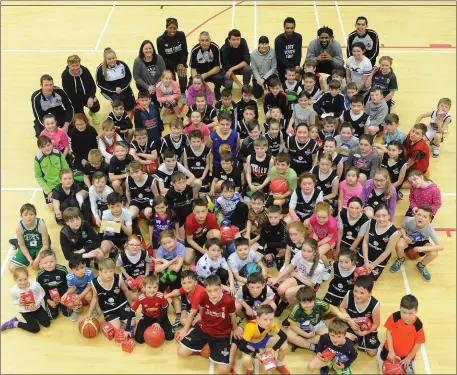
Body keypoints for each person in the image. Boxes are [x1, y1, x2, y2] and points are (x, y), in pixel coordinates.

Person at [177, 275, 241, 375]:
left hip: (222, 334)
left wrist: (236, 329)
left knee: (223, 371)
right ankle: (202, 345)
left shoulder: (229, 301)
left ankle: (234, 344)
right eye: (209, 291)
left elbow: (232, 316)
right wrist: (198, 318)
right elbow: (202, 309)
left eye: (216, 290)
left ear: (221, 288)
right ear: (205, 290)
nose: (213, 294)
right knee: (181, 353)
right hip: (204, 329)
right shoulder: (203, 296)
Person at [390, 205, 443, 281]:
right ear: (415, 215)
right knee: (399, 244)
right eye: (419, 215)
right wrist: (405, 236)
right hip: (409, 238)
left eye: (425, 216)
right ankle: (400, 259)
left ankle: (421, 265)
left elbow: (441, 247)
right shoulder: (409, 220)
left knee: (434, 253)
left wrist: (422, 248)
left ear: (429, 220)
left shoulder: (430, 229)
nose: (420, 217)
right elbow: (403, 227)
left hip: (422, 242)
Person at [85, 259, 135, 332]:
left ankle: (121, 319)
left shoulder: (118, 278)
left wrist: (131, 304)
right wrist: (89, 314)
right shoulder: (94, 283)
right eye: (106, 272)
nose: (109, 274)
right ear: (99, 272)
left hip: (122, 304)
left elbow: (126, 290)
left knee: (132, 323)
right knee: (116, 328)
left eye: (111, 271)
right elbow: (94, 298)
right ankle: (118, 320)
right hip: (108, 309)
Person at [239, 305, 290, 375]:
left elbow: (284, 336)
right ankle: (250, 369)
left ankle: (279, 365)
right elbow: (241, 347)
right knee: (246, 359)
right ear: (258, 318)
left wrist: (274, 349)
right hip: (251, 344)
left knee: (285, 346)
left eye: (271, 319)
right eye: (265, 319)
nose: (269, 322)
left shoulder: (271, 324)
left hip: (264, 339)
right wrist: (255, 354)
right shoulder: (251, 326)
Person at [380, 295, 425, 374]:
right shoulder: (394, 317)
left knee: (406, 370)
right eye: (403, 312)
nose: (406, 316)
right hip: (390, 349)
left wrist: (409, 358)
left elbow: (418, 344)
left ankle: (409, 363)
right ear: (400, 308)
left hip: (406, 355)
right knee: (383, 359)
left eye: (410, 313)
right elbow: (388, 332)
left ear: (416, 311)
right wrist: (391, 350)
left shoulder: (418, 325)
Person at [339, 275, 380, 357]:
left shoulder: (375, 304)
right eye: (356, 291)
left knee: (372, 353)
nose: (357, 295)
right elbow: (342, 307)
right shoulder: (349, 295)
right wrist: (350, 321)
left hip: (367, 327)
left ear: (369, 294)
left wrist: (362, 333)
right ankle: (354, 340)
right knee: (343, 341)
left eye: (362, 293)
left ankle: (358, 338)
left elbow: (376, 324)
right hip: (351, 323)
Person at [357, 204, 400, 281]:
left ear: (389, 216)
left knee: (368, 280)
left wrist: (373, 265)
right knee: (355, 274)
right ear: (374, 216)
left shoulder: (394, 232)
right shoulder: (371, 222)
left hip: (379, 259)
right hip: (365, 254)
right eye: (378, 216)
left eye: (384, 216)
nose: (381, 219)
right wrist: (366, 261)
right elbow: (365, 242)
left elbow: (387, 252)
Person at [1, 268, 50, 334]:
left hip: (37, 308)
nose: (23, 282)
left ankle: (36, 317)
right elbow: (13, 301)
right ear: (15, 279)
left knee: (47, 324)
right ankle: (15, 323)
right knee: (35, 330)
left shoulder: (35, 285)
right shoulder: (13, 290)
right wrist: (19, 301)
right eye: (20, 280)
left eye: (25, 279)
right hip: (25, 311)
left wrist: (36, 303)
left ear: (28, 277)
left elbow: (42, 293)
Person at [132, 274, 174, 343]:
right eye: (149, 287)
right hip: (147, 317)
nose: (152, 290)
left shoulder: (161, 296)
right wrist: (127, 328)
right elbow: (132, 311)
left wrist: (158, 322)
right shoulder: (141, 298)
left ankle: (165, 325)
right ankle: (142, 318)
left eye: (155, 287)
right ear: (144, 287)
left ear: (158, 287)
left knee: (170, 337)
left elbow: (165, 310)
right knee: (139, 340)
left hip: (160, 316)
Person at [8, 203, 50, 272]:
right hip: (27, 247)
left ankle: (17, 243)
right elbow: (22, 245)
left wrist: (36, 260)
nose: (29, 217)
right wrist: (30, 260)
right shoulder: (19, 227)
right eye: (26, 215)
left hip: (40, 247)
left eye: (31, 214)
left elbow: (45, 246)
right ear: (21, 216)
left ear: (35, 215)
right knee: (12, 268)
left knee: (43, 267)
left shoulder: (41, 224)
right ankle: (17, 243)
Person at [156, 17, 189, 103]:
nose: (172, 30)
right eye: (170, 28)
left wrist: (182, 63)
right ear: (166, 28)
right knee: (170, 80)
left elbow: (185, 51)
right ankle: (172, 94)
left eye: (174, 28)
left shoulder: (181, 35)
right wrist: (175, 66)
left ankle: (182, 92)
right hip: (168, 64)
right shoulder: (160, 40)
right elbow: (162, 57)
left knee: (182, 75)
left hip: (180, 63)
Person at [61, 54, 100, 124]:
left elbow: (92, 85)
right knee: (83, 121)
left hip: (86, 95)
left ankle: (92, 112)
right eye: (73, 66)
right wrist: (85, 100)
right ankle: (80, 112)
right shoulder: (65, 75)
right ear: (69, 66)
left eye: (77, 65)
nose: (75, 68)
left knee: (96, 106)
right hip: (74, 99)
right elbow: (70, 93)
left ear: (80, 64)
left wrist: (91, 97)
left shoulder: (85, 71)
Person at [36, 249, 72, 320]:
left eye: (51, 261)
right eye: (45, 263)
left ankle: (62, 305)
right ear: (41, 264)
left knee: (68, 313)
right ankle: (54, 305)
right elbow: (40, 291)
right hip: (50, 297)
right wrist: (48, 300)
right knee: (52, 317)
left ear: (56, 260)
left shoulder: (62, 270)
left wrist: (65, 296)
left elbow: (69, 284)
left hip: (63, 295)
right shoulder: (40, 276)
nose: (49, 264)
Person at [190, 31, 226, 100]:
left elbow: (217, 67)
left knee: (219, 79)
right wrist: (197, 80)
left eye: (206, 40)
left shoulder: (215, 48)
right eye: (202, 40)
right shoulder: (194, 51)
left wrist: (205, 75)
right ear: (199, 41)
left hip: (213, 73)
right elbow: (193, 69)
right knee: (191, 86)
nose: (204, 43)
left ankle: (217, 90)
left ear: (210, 40)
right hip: (200, 73)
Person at [185, 198, 221, 265]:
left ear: (207, 210)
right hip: (194, 239)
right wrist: (202, 251)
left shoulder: (211, 218)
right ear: (193, 211)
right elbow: (189, 240)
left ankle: (210, 249)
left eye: (203, 211)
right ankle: (196, 252)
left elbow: (217, 232)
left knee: (216, 233)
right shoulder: (189, 221)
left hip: (205, 237)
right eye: (198, 212)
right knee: (187, 260)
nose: (201, 215)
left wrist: (207, 243)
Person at [62, 254, 97, 321]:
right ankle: (76, 309)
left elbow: (90, 286)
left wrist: (80, 296)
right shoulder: (69, 277)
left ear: (85, 265)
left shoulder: (89, 272)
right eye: (77, 269)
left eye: (82, 267)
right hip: (77, 289)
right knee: (70, 298)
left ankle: (93, 309)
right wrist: (66, 294)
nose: (81, 271)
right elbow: (72, 288)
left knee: (88, 296)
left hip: (87, 288)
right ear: (72, 270)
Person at [132, 40, 166, 105]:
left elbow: (163, 72)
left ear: (153, 49)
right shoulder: (138, 61)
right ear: (142, 50)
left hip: (158, 85)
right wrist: (148, 87)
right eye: (146, 49)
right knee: (148, 103)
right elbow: (136, 77)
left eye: (150, 48)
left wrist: (155, 86)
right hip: (144, 86)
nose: (148, 50)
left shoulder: (159, 58)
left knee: (159, 103)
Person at [275, 17, 303, 82]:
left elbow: (298, 53)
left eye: (291, 28)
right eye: (287, 28)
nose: (289, 30)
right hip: (283, 68)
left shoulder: (298, 37)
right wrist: (293, 69)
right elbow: (280, 58)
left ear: (294, 28)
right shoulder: (278, 40)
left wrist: (297, 66)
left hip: (295, 66)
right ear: (284, 28)